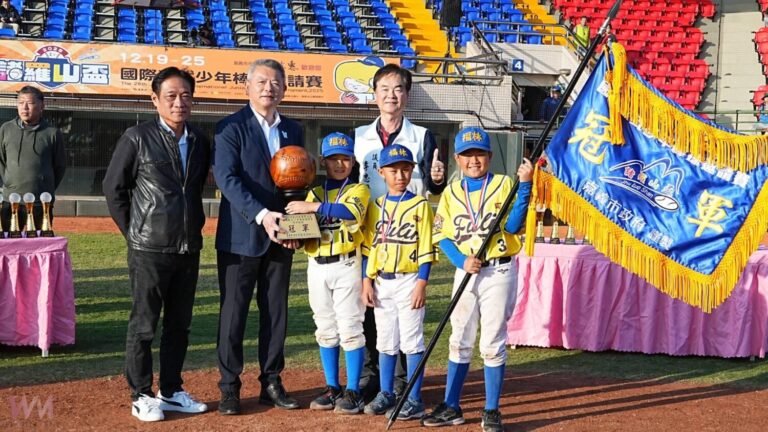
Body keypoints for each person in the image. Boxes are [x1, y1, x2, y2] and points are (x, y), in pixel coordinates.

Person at [102, 67, 211, 422]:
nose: (179, 103)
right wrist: (134, 232)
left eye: (186, 96)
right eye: (171, 96)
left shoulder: (199, 140)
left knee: (179, 325)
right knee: (145, 325)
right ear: (155, 99)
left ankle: (172, 390)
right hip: (148, 249)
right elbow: (113, 188)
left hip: (188, 248)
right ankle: (141, 394)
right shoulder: (137, 137)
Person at [420, 127, 533, 432]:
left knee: (492, 341)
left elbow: (512, 226)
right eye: (467, 155)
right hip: (467, 271)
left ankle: (491, 410)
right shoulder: (451, 192)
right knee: (459, 339)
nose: (473, 160)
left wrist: (524, 186)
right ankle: (451, 406)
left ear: (489, 156)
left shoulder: (503, 183)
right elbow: (442, 236)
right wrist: (461, 261)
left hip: (498, 269)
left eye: (479, 153)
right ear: (457, 159)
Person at [213, 58, 304, 415]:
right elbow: (227, 179)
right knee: (233, 315)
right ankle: (229, 387)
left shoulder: (293, 130)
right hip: (240, 238)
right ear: (247, 86)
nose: (269, 88)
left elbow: (298, 182)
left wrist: (296, 228)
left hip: (281, 237)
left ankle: (271, 381)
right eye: (262, 81)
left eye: (276, 82)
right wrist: (263, 215)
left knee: (276, 313)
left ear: (285, 88)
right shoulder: (229, 128)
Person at [353, 63, 447, 401]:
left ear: (407, 95)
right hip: (373, 232)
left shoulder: (421, 135)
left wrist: (437, 179)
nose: (391, 95)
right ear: (374, 94)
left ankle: (407, 383)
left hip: (408, 236)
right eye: (385, 89)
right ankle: (375, 379)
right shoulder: (359, 135)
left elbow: (434, 186)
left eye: (398, 89)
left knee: (408, 318)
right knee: (372, 310)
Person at [284, 132, 370, 414]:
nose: (339, 164)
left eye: (345, 158)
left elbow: (351, 213)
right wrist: (293, 237)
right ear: (323, 161)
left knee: (350, 327)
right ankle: (333, 387)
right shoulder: (314, 191)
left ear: (353, 161)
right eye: (333, 159)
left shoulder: (359, 189)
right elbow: (305, 231)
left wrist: (313, 207)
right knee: (324, 327)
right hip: (317, 266)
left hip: (347, 265)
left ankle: (354, 390)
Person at [360, 144, 435, 420]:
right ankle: (387, 392)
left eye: (405, 169)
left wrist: (422, 283)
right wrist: (366, 281)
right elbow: (369, 248)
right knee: (385, 341)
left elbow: (426, 247)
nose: (400, 175)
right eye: (393, 170)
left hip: (409, 279)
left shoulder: (420, 205)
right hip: (382, 281)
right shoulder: (376, 207)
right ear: (382, 172)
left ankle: (414, 399)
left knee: (412, 341)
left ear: (412, 170)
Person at [0, 86, 65, 231]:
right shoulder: (6, 129)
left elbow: (59, 167)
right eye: (20, 102)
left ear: (42, 106)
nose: (24, 107)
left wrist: (44, 186)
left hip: (40, 202)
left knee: (39, 243)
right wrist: (9, 182)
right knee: (9, 243)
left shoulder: (52, 133)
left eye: (30, 103)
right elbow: (2, 161)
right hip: (10, 200)